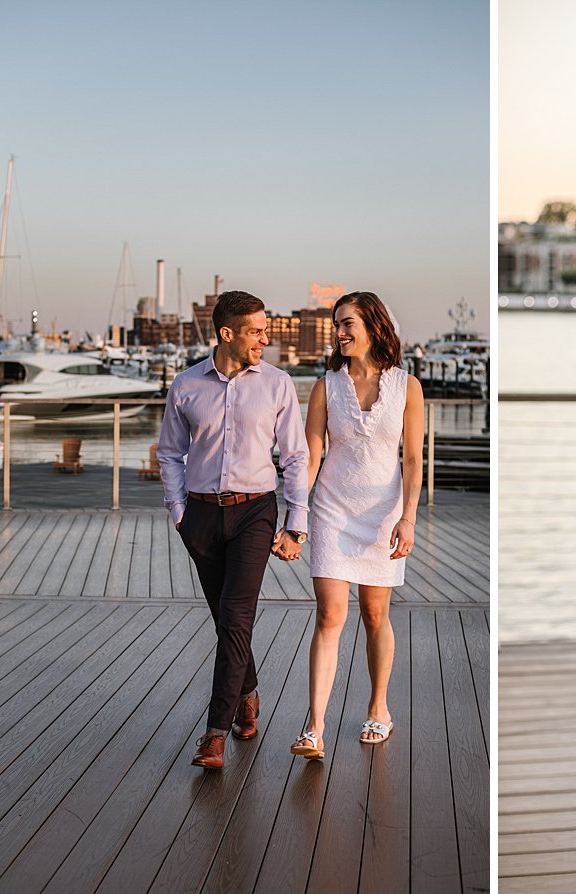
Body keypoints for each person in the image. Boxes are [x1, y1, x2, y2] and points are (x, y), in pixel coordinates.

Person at [157, 290, 310, 770]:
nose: (266, 338)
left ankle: (214, 732)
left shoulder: (278, 384)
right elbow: (169, 453)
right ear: (228, 334)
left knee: (237, 615)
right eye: (257, 331)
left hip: (255, 514)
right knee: (226, 618)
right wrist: (180, 512)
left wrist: (296, 522)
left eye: (267, 329)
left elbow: (295, 457)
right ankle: (247, 692)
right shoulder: (185, 386)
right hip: (200, 517)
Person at [289, 291, 424, 760]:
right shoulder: (326, 386)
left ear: (373, 324)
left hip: (384, 515)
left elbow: (411, 461)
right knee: (329, 615)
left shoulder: (407, 386)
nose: (340, 333)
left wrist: (408, 518)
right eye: (336, 325)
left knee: (374, 616)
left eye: (348, 323)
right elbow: (310, 458)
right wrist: (294, 515)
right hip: (332, 510)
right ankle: (314, 725)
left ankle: (379, 708)